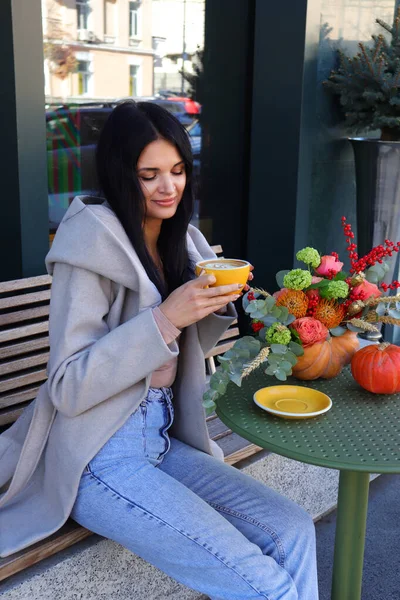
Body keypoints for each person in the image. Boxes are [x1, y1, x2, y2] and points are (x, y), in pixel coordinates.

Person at [0, 101, 318, 600]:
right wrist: (167, 316)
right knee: (267, 588)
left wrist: (208, 311)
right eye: (149, 175)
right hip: (100, 456)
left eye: (176, 171)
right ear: (120, 175)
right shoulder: (89, 249)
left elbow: (176, 356)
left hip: (166, 440)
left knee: (292, 528)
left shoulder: (183, 240)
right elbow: (67, 385)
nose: (169, 188)